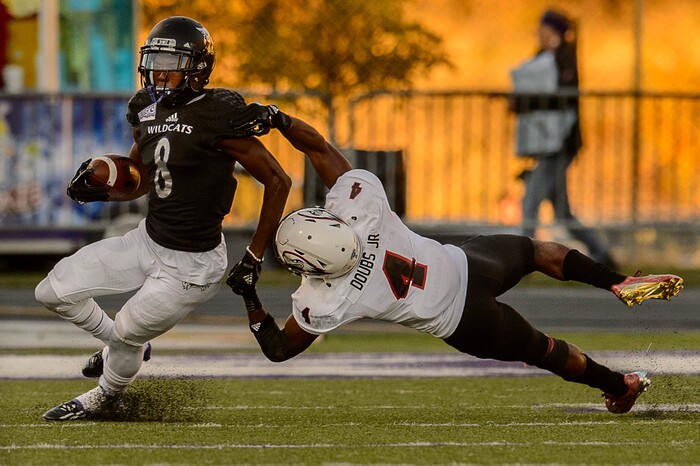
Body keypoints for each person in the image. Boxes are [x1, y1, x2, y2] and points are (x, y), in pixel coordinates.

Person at [227, 103, 684, 414]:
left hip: (463, 320)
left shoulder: (326, 300)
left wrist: (250, 297)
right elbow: (318, 148)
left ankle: (617, 385)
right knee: (539, 252)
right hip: (468, 262)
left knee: (545, 349)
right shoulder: (360, 207)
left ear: (309, 267)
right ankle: (617, 282)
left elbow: (278, 348)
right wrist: (277, 118)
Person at [36, 16, 291, 421]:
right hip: (147, 240)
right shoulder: (145, 108)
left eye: (170, 60)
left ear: (197, 68)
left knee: (125, 334)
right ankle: (123, 347)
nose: (158, 70)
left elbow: (278, 179)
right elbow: (142, 180)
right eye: (154, 59)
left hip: (192, 263)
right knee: (51, 293)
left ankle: (104, 397)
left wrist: (256, 255)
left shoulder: (219, 112)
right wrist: (103, 188)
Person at [510, 9, 616, 268]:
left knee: (531, 202)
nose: (538, 34)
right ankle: (602, 253)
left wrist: (524, 100)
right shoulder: (542, 57)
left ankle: (525, 261)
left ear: (554, 31)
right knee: (563, 212)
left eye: (543, 29)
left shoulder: (565, 58)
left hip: (559, 144)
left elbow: (558, 97)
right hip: (545, 143)